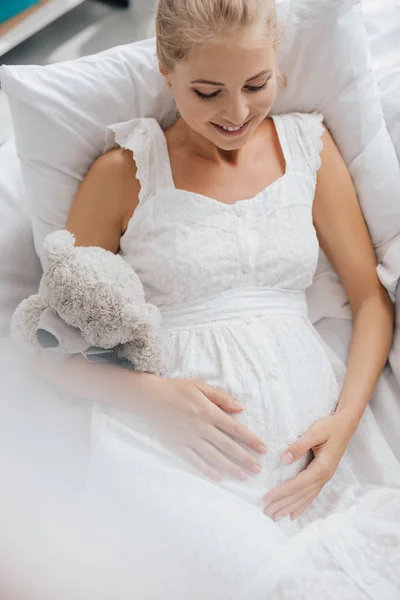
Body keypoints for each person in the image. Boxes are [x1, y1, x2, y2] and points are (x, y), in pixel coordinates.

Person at [38, 0, 400, 595]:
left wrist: (342, 427)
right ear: (165, 69)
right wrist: (152, 397)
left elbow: (369, 302)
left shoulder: (309, 148)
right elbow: (45, 347)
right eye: (208, 92)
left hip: (320, 456)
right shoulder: (122, 174)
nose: (236, 113)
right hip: (173, 459)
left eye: (257, 85)